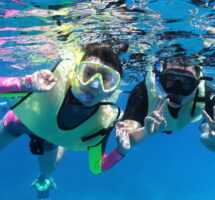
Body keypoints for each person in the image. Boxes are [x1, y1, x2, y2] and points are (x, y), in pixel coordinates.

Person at [0, 41, 131, 199]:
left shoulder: (102, 121)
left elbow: (97, 167)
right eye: (88, 73)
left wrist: (121, 151)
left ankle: (44, 178)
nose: (94, 85)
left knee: (47, 170)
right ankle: (12, 103)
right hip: (18, 122)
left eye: (105, 79)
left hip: (50, 138)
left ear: (112, 90)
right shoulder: (51, 82)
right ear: (76, 72)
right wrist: (26, 85)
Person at [117, 55, 215, 155]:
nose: (177, 91)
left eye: (186, 84)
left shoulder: (205, 94)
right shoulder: (143, 91)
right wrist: (146, 132)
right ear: (161, 77)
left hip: (188, 116)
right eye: (171, 81)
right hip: (165, 121)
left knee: (206, 127)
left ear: (197, 83)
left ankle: (205, 126)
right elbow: (127, 137)